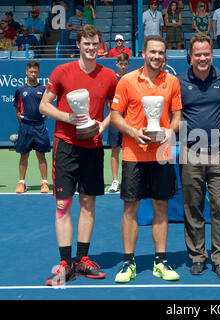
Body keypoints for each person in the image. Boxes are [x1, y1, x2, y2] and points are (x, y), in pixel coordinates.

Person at [40, 25, 118, 286]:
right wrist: (69, 118)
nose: (91, 48)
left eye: (95, 43)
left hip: (93, 148)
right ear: (79, 45)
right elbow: (44, 105)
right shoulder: (62, 72)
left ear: (101, 45)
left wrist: (103, 126)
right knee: (63, 205)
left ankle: (82, 260)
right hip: (66, 147)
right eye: (86, 44)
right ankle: (65, 263)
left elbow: (115, 109)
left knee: (88, 204)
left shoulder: (108, 76)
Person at [110, 35, 182, 283]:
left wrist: (170, 132)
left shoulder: (172, 81)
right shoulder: (127, 81)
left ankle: (160, 261)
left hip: (161, 154)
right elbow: (116, 116)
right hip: (133, 155)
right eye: (153, 52)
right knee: (131, 208)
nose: (157, 56)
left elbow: (177, 115)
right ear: (143, 53)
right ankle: (128, 262)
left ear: (165, 55)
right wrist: (133, 132)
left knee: (161, 206)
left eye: (161, 53)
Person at [177, 33, 220, 278]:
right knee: (193, 207)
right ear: (190, 57)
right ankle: (197, 255)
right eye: (198, 54)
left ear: (212, 55)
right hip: (190, 152)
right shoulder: (178, 82)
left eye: (206, 54)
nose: (202, 58)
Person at [14, 61, 50, 194]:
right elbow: (17, 110)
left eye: (35, 72)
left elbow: (47, 109)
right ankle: (21, 183)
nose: (33, 74)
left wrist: (40, 120)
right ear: (26, 72)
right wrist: (23, 124)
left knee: (41, 155)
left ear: (38, 73)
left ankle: (45, 183)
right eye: (31, 72)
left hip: (39, 127)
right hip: (25, 127)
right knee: (24, 155)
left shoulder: (43, 90)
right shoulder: (20, 90)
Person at [107, 52, 130, 193]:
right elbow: (108, 102)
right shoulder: (112, 80)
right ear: (116, 64)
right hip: (116, 121)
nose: (122, 66)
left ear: (128, 65)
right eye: (120, 64)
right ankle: (115, 181)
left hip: (130, 121)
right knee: (115, 150)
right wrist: (115, 114)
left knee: (130, 150)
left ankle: (128, 179)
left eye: (125, 64)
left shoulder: (131, 79)